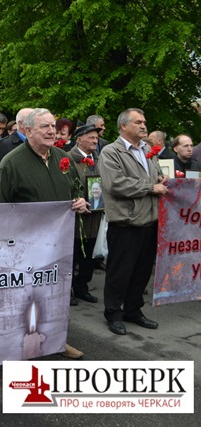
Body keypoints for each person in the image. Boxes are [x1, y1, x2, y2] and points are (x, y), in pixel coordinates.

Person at [0, 108, 88, 359]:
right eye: (44, 126)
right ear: (27, 130)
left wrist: (79, 201)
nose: (51, 131)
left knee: (57, 294)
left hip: (60, 244)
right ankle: (20, 345)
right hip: (26, 248)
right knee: (27, 297)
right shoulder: (11, 163)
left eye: (53, 126)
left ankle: (58, 340)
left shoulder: (61, 157)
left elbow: (76, 189)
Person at [99, 108, 167, 336]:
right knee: (120, 272)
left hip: (149, 221)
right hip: (125, 223)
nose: (143, 125)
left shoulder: (147, 150)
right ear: (124, 126)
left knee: (141, 272)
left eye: (144, 121)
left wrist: (161, 178)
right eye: (138, 122)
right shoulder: (111, 152)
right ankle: (113, 313)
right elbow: (115, 184)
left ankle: (133, 310)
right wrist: (151, 187)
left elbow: (155, 177)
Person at [68, 123, 104, 306]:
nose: (95, 141)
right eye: (91, 137)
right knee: (73, 256)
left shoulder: (99, 159)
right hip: (76, 218)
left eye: (96, 138)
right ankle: (67, 290)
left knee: (89, 257)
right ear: (79, 139)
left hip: (95, 217)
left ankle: (82, 287)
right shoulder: (69, 159)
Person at [0, 107, 33, 172]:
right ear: (21, 124)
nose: (37, 124)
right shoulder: (4, 145)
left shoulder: (39, 143)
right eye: (32, 121)